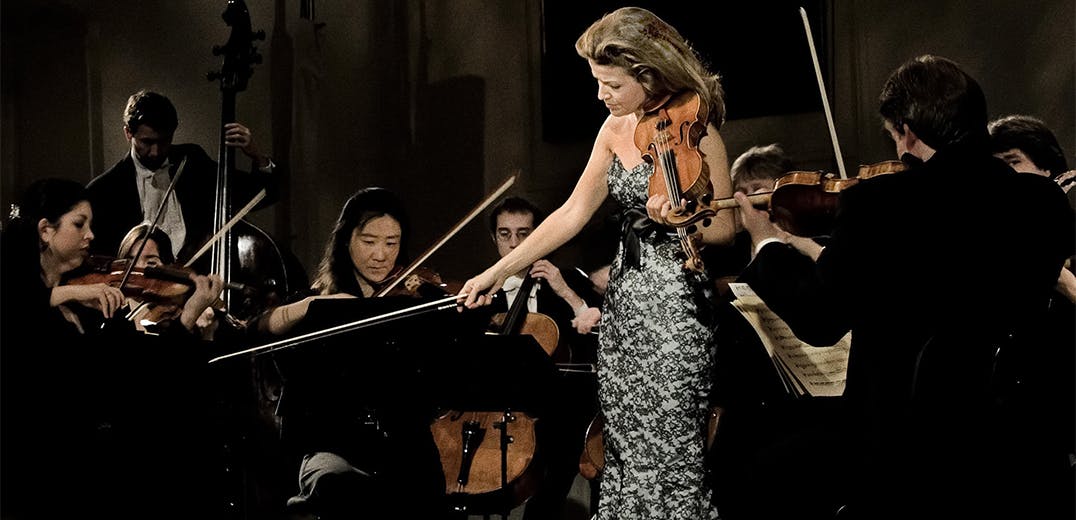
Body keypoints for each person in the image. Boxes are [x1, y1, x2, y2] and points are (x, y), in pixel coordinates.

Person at [734, 55, 1075, 519]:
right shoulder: (1043, 203)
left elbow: (819, 319)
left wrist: (766, 241)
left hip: (909, 459)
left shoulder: (881, 205)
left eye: (894, 135)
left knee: (761, 473)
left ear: (909, 131)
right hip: (1019, 452)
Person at [460, 7, 736, 518]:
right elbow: (571, 213)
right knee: (625, 454)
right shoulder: (613, 129)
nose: (601, 95)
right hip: (626, 308)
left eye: (610, 84)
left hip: (676, 310)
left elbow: (725, 226)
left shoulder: (699, 133)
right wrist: (496, 272)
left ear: (647, 74)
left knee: (670, 457)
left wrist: (681, 218)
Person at [0, 178, 220, 519]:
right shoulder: (23, 303)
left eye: (90, 225)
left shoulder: (89, 304)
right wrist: (69, 294)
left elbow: (138, 370)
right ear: (45, 230)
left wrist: (187, 316)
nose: (90, 235)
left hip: (96, 468)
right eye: (79, 224)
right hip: (39, 470)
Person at [249, 187, 451, 519]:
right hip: (332, 443)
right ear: (346, 241)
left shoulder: (413, 303)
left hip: (401, 445)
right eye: (369, 242)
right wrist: (315, 305)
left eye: (392, 243)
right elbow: (258, 328)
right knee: (334, 487)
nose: (381, 256)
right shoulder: (318, 301)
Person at [482, 196, 603, 519]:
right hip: (500, 411)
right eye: (505, 234)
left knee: (561, 456)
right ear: (494, 239)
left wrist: (565, 291)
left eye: (524, 234)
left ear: (541, 235)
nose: (515, 244)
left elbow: (601, 333)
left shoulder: (568, 280)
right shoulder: (484, 292)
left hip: (560, 412)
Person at [85, 89, 278, 265]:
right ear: (128, 133)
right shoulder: (103, 190)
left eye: (164, 141)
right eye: (147, 142)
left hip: (198, 285)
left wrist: (257, 156)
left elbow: (258, 195)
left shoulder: (192, 161)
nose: (155, 151)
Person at [115, 222, 225, 336]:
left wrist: (207, 333)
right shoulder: (111, 317)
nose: (140, 269)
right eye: (130, 262)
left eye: (151, 263)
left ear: (168, 268)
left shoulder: (175, 314)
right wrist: (188, 318)